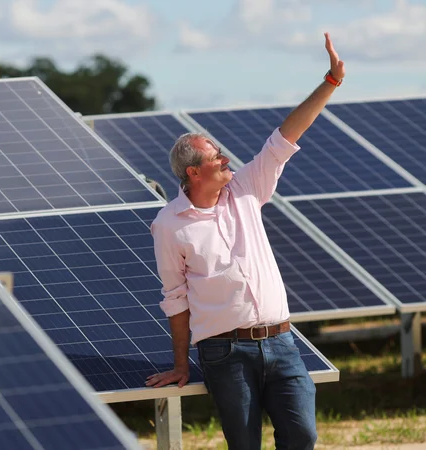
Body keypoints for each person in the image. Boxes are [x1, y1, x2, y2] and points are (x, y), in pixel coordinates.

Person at [144, 33, 346, 450]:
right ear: (193, 173)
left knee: (302, 436)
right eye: (215, 157)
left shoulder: (247, 189)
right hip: (224, 353)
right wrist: (182, 363)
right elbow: (175, 297)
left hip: (282, 341)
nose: (226, 159)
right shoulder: (169, 224)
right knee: (245, 445)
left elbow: (283, 139)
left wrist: (330, 81)